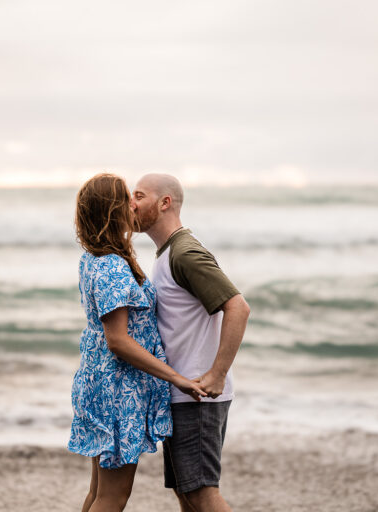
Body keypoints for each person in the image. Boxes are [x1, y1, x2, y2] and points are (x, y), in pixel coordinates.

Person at [68, 173, 208, 512]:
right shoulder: (113, 267)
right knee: (113, 496)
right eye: (127, 198)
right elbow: (118, 340)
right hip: (119, 390)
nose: (134, 203)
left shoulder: (95, 258)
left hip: (100, 380)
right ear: (113, 210)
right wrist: (175, 377)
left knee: (98, 491)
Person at [131, 174, 251, 512]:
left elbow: (238, 307)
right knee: (187, 495)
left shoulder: (184, 252)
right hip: (182, 391)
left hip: (197, 393)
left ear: (164, 202)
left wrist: (216, 373)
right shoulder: (166, 254)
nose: (130, 204)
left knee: (201, 494)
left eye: (138, 195)